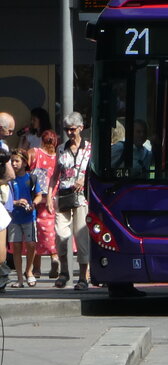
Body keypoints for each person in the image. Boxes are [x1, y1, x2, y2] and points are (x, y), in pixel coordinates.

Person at [53, 111, 92, 290]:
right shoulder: (61, 148)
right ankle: (64, 272)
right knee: (61, 234)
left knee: (82, 237)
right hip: (63, 195)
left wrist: (84, 180)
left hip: (82, 198)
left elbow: (95, 172)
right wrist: (50, 195)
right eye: (66, 129)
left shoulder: (90, 149)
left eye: (72, 129)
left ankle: (83, 277)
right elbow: (56, 174)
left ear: (81, 128)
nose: (69, 132)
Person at [7, 149, 44, 286]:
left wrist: (33, 204)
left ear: (24, 162)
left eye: (17, 161)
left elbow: (39, 195)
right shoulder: (9, 180)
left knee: (31, 244)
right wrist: (16, 202)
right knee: (16, 246)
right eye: (12, 161)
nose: (14, 164)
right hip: (14, 218)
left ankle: (28, 271)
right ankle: (19, 278)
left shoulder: (31, 178)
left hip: (29, 217)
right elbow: (5, 199)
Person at [28, 129, 58, 279]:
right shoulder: (58, 157)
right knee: (52, 231)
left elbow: (26, 167)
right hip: (53, 198)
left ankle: (37, 268)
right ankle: (54, 257)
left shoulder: (35, 152)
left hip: (37, 197)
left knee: (36, 233)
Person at [0, 112, 15, 290]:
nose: (11, 134)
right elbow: (10, 174)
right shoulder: (2, 147)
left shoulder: (3, 146)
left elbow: (10, 175)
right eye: (9, 130)